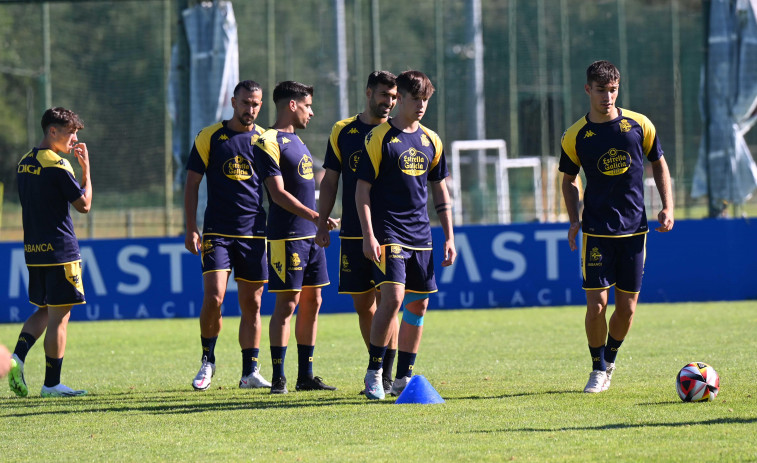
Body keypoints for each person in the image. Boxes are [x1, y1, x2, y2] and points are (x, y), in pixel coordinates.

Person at [559, 60, 674, 393]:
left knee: (627, 309)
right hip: (596, 231)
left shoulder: (639, 125)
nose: (607, 97)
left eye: (612, 90)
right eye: (600, 90)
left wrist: (667, 206)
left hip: (635, 230)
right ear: (588, 90)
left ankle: (610, 359)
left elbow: (659, 163)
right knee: (596, 305)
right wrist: (574, 220)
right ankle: (597, 369)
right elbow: (568, 181)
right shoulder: (576, 135)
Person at [355, 70, 456, 400]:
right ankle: (375, 371)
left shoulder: (432, 140)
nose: (422, 105)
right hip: (389, 232)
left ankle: (403, 378)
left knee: (420, 304)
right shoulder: (379, 138)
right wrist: (369, 235)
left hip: (421, 234)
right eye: (416, 99)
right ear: (400, 99)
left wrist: (450, 237)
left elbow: (440, 192)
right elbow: (362, 192)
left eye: (426, 99)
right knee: (393, 298)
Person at [315, 71, 400, 394]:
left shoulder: (398, 132)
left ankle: (385, 373)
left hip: (391, 232)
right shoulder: (344, 131)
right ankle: (376, 368)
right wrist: (322, 220)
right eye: (383, 95)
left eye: (393, 97)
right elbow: (331, 180)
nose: (388, 102)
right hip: (352, 231)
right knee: (364, 306)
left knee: (389, 301)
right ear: (368, 93)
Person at [184, 80, 272, 391]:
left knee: (253, 303)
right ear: (233, 102)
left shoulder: (265, 139)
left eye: (256, 104)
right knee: (215, 297)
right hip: (217, 232)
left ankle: (250, 371)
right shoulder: (210, 136)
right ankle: (207, 360)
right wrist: (190, 226)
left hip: (253, 234)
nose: (251, 109)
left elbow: (277, 188)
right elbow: (192, 184)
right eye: (246, 102)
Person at [253, 81, 339, 394]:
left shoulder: (298, 142)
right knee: (287, 304)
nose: (311, 112)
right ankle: (279, 377)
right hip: (286, 236)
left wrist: (318, 225)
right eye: (307, 106)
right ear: (292, 105)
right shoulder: (268, 140)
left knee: (313, 301)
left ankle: (306, 375)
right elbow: (277, 194)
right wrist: (318, 217)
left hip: (311, 236)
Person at [9, 107, 92, 398]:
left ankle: (17, 357)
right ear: (52, 131)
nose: (74, 140)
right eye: (70, 133)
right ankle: (52, 384)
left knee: (44, 309)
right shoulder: (57, 165)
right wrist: (87, 170)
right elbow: (84, 205)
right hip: (61, 251)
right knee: (61, 316)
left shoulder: (23, 162)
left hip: (34, 249)